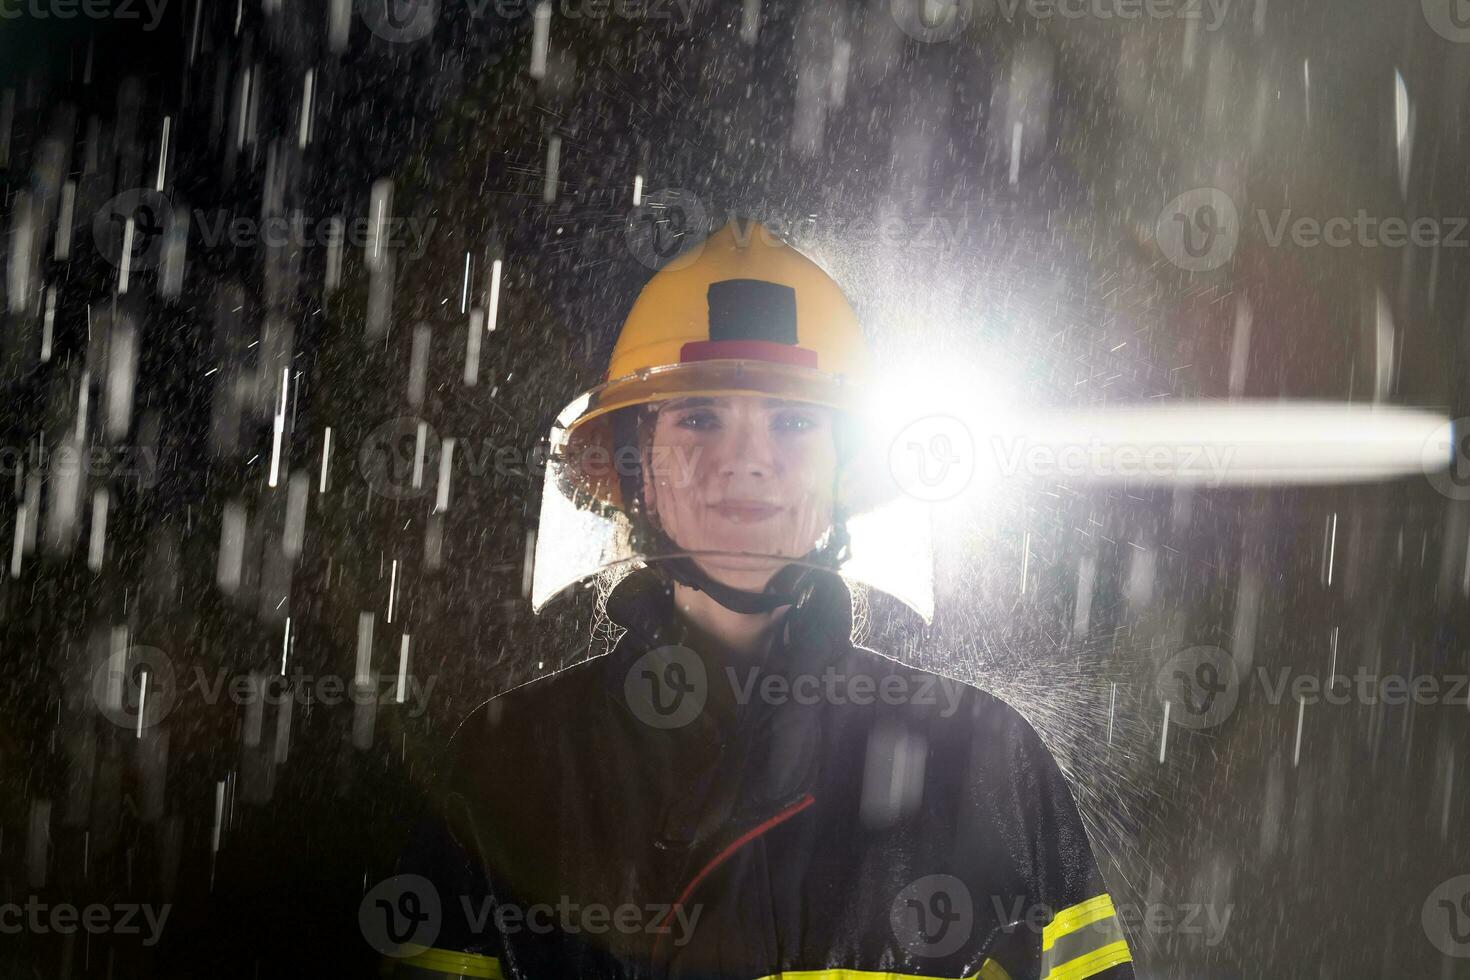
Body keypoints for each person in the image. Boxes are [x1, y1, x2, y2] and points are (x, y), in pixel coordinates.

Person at [374, 220, 1135, 980]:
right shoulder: (510, 765)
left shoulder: (987, 765)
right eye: (700, 416)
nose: (745, 462)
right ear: (637, 471)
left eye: (793, 420)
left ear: (843, 472)